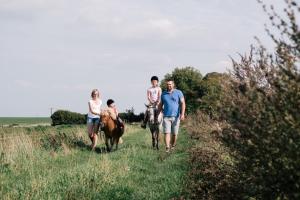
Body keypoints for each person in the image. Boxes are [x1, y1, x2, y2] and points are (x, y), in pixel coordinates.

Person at [158, 79, 185, 153]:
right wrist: (159, 112)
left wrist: (182, 114)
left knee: (174, 134)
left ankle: (173, 145)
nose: (169, 85)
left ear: (173, 85)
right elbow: (160, 104)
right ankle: (167, 148)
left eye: (170, 84)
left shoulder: (179, 92)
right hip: (166, 116)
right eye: (167, 84)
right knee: (167, 133)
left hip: (176, 117)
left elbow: (183, 103)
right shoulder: (163, 94)